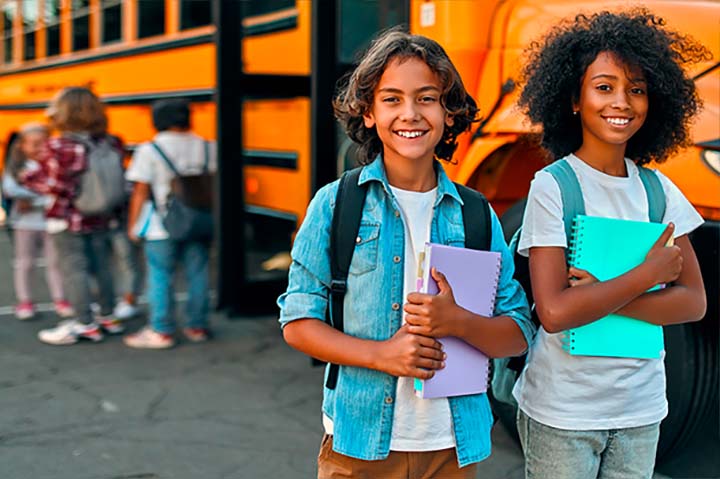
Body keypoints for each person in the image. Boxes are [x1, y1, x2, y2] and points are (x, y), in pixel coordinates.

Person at [278, 29, 534, 478]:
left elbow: (518, 332)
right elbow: (298, 323)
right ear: (369, 113)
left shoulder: (476, 215)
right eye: (391, 99)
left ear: (449, 112)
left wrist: (460, 323)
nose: (410, 113)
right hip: (357, 445)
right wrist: (382, 356)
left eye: (427, 98)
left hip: (452, 447)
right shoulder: (336, 205)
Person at [513, 10, 709, 479]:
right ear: (574, 99)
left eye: (636, 89)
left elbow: (694, 303)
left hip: (641, 411)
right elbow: (556, 312)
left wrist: (599, 294)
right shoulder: (553, 187)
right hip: (563, 413)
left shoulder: (659, 192)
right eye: (603, 87)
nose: (622, 101)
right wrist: (647, 277)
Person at [21, 87, 124, 345]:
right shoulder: (109, 142)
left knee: (73, 269)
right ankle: (108, 317)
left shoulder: (61, 145)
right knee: (102, 267)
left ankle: (84, 323)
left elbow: (58, 187)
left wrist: (29, 179)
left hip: (68, 218)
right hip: (101, 214)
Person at [123, 99, 216, 349]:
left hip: (160, 224)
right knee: (198, 273)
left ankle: (161, 329)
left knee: (161, 275)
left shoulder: (150, 150)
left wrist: (133, 226)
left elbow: (140, 191)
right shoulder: (208, 146)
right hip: (199, 219)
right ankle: (197, 325)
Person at [1, 123, 73, 320]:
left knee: (55, 263)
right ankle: (25, 300)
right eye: (34, 144)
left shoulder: (54, 164)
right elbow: (10, 189)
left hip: (51, 223)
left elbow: (59, 189)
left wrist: (33, 199)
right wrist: (45, 197)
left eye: (44, 143)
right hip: (24, 223)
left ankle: (60, 298)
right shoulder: (16, 166)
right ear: (22, 146)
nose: (40, 148)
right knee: (25, 263)